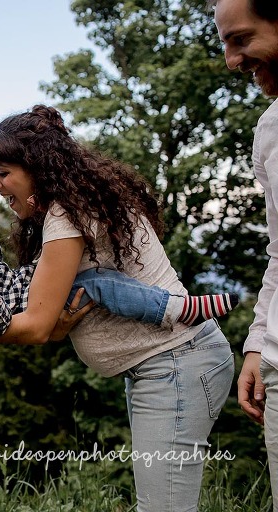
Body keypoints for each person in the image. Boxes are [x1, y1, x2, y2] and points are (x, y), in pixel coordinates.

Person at [0, 105, 235, 511]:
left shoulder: (66, 215)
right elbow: (50, 321)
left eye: (2, 172)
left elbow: (36, 327)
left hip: (175, 362)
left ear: (35, 167)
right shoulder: (62, 210)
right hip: (163, 366)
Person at [0, 230, 239, 341]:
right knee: (96, 285)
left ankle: (161, 297)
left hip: (29, 274)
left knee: (92, 264)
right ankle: (177, 309)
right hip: (31, 299)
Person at [210, 0, 278, 506]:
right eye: (226, 43)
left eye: (242, 39)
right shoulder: (270, 132)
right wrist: (257, 343)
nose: (233, 61)